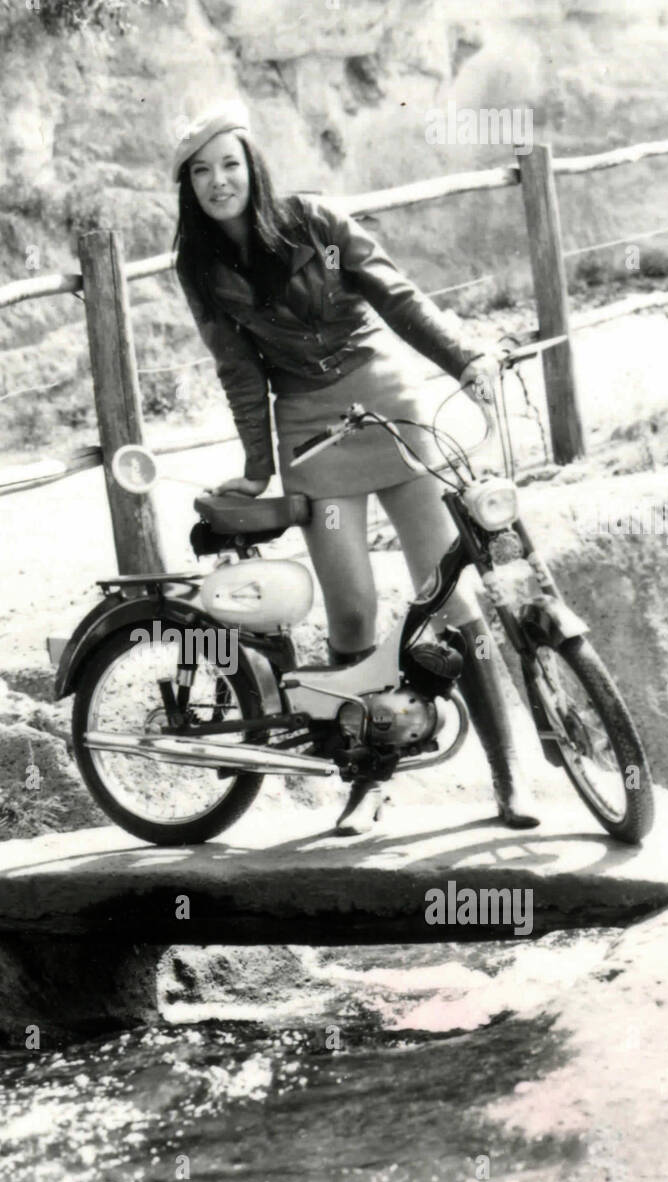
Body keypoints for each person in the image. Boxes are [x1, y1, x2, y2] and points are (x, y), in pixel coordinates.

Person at [171, 100, 540, 836]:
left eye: (231, 165)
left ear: (253, 163)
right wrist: (254, 466)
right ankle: (366, 783)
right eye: (202, 172)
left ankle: (509, 778)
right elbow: (240, 372)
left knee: (450, 593)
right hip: (310, 430)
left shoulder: (316, 221)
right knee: (350, 609)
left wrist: (463, 359)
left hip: (386, 401)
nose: (220, 183)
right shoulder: (201, 266)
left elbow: (397, 298)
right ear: (188, 187)